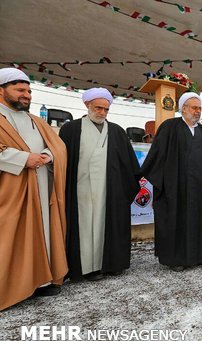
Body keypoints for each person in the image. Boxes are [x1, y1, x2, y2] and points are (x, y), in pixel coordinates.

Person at [0, 68, 68, 310]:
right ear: (1, 91)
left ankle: (43, 280)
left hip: (41, 185)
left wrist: (48, 156)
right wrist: (22, 159)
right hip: (12, 189)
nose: (26, 95)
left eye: (28, 90)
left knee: (45, 232)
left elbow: (58, 146)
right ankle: (14, 286)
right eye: (19, 90)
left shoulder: (36, 120)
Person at [60, 88, 140, 281]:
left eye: (106, 109)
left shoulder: (117, 132)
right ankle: (85, 268)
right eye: (98, 108)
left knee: (108, 224)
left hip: (109, 190)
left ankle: (111, 264)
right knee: (84, 227)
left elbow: (129, 165)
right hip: (81, 190)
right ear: (87, 105)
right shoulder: (71, 130)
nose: (102, 113)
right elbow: (62, 161)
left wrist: (123, 190)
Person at [141, 92, 202, 271]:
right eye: (194, 108)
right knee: (177, 221)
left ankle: (198, 256)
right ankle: (177, 260)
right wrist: (162, 186)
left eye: (200, 108)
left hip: (199, 187)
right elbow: (156, 157)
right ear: (183, 109)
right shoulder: (169, 127)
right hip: (175, 187)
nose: (198, 111)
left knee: (198, 220)